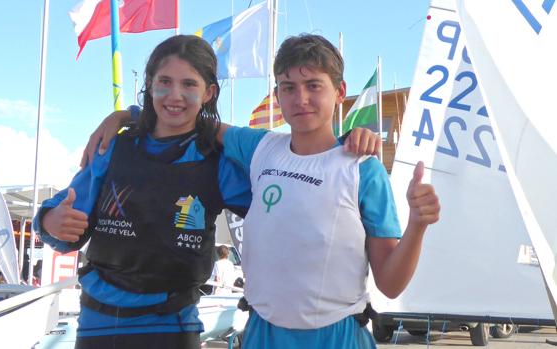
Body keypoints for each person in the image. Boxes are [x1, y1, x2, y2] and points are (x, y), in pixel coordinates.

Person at [85, 34, 440, 349]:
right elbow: (189, 117)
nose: (301, 98)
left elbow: (391, 284)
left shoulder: (364, 169)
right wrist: (126, 116)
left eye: (314, 86)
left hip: (336, 335)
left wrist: (417, 226)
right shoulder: (260, 147)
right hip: (262, 333)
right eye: (288, 87)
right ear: (277, 95)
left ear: (340, 92)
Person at [33, 35, 254, 349]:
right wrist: (50, 220)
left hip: (173, 327)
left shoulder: (218, 163)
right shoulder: (112, 147)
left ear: (209, 92)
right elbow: (61, 220)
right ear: (149, 84)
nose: (175, 95)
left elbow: (282, 199)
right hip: (99, 326)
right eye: (165, 81)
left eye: (189, 84)